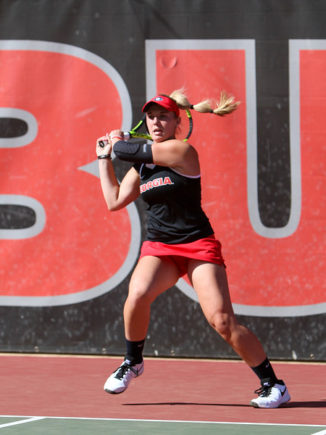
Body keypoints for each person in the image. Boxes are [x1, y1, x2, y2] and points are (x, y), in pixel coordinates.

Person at [96, 89, 290, 409]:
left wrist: (117, 143)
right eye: (151, 116)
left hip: (197, 245)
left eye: (164, 116)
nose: (157, 122)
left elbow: (129, 150)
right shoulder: (143, 164)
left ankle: (274, 385)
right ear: (145, 121)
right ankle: (133, 362)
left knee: (223, 322)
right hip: (160, 247)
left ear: (177, 123)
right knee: (137, 295)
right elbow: (114, 201)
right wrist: (104, 158)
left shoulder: (181, 151)